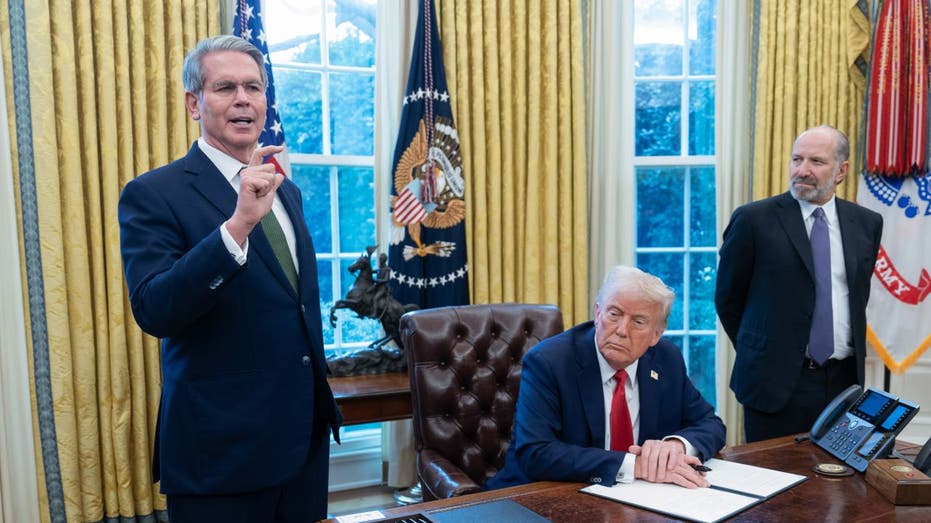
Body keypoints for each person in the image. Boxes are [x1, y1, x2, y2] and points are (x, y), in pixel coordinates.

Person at [118, 35, 341, 522]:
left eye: (254, 87)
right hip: (221, 455)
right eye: (225, 88)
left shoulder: (288, 192)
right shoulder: (154, 194)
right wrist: (237, 225)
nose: (244, 99)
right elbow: (155, 309)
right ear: (194, 103)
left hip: (302, 445)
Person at [487, 266, 726, 490]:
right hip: (541, 496)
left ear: (656, 335)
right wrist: (635, 465)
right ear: (598, 313)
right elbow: (535, 454)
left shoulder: (666, 359)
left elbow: (710, 424)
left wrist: (676, 446)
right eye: (614, 314)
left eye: (638, 321)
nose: (622, 330)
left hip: (639, 497)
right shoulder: (550, 362)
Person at [715, 125, 883, 443]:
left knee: (840, 484)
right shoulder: (753, 220)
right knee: (774, 483)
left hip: (843, 381)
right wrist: (765, 352)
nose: (802, 171)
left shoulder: (866, 223)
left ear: (841, 170)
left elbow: (856, 297)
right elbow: (728, 298)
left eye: (816, 162)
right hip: (775, 383)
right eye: (797, 159)